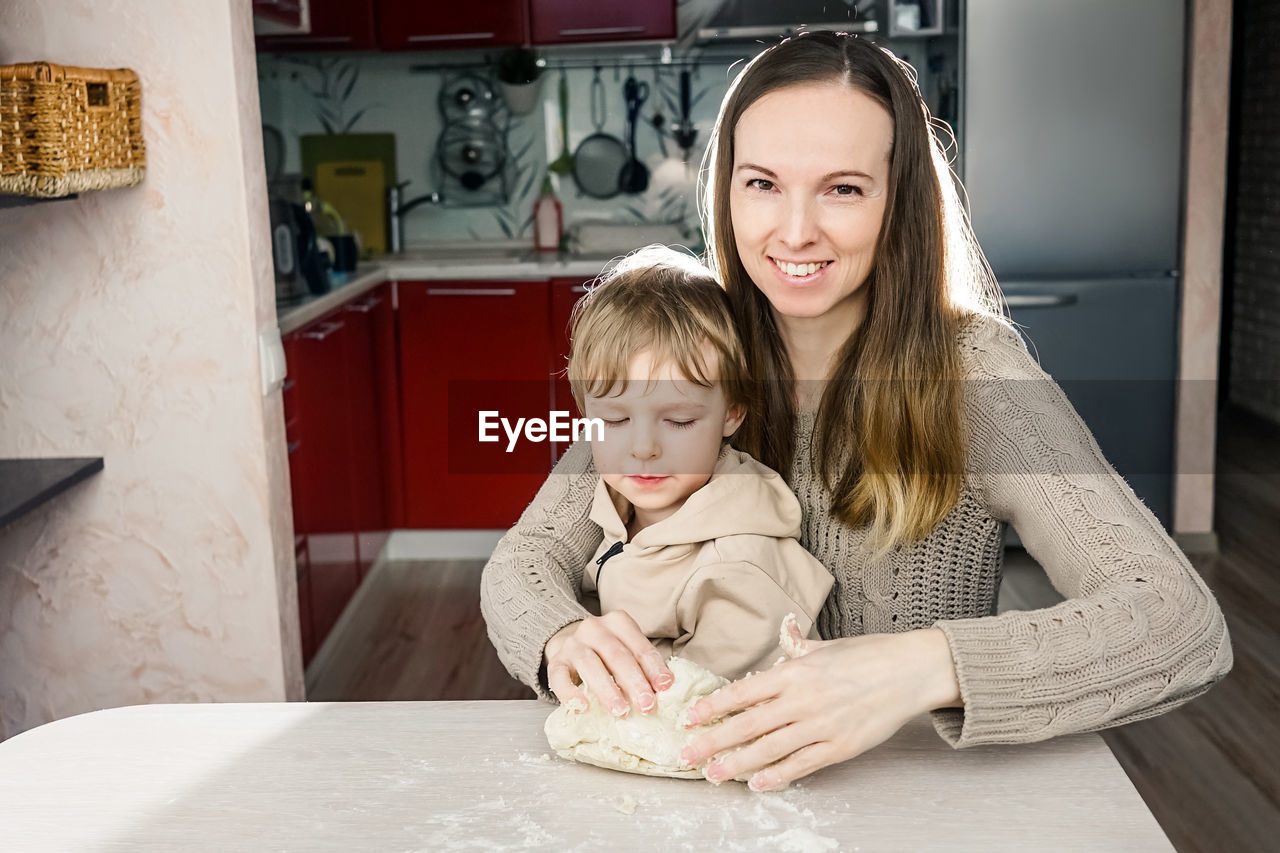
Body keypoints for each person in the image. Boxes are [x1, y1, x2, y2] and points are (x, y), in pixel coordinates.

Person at [480, 31, 1231, 793]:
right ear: (727, 190)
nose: (795, 230)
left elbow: (1179, 621)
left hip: (909, 801)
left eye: (842, 188)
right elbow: (524, 560)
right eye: (763, 184)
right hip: (696, 800)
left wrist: (916, 668)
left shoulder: (973, 374)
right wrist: (563, 632)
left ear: (897, 200)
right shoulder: (692, 346)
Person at [562, 246, 834, 694]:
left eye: (679, 421)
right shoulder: (613, 501)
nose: (644, 448)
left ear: (732, 414)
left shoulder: (737, 569)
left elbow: (707, 715)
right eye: (615, 420)